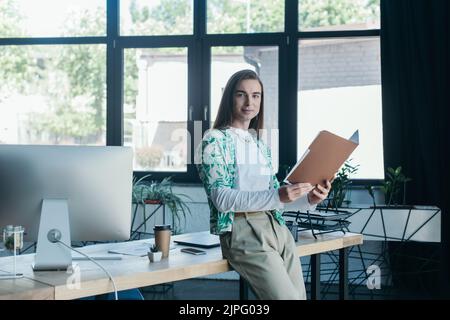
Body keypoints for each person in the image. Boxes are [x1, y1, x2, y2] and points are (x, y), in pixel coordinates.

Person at [196, 69, 331, 300]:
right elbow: (221, 199)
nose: (250, 102)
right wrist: (278, 195)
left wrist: (309, 199)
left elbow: (276, 200)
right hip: (242, 231)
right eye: (241, 94)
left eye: (256, 95)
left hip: (277, 229)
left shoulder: (260, 146)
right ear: (230, 98)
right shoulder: (213, 141)